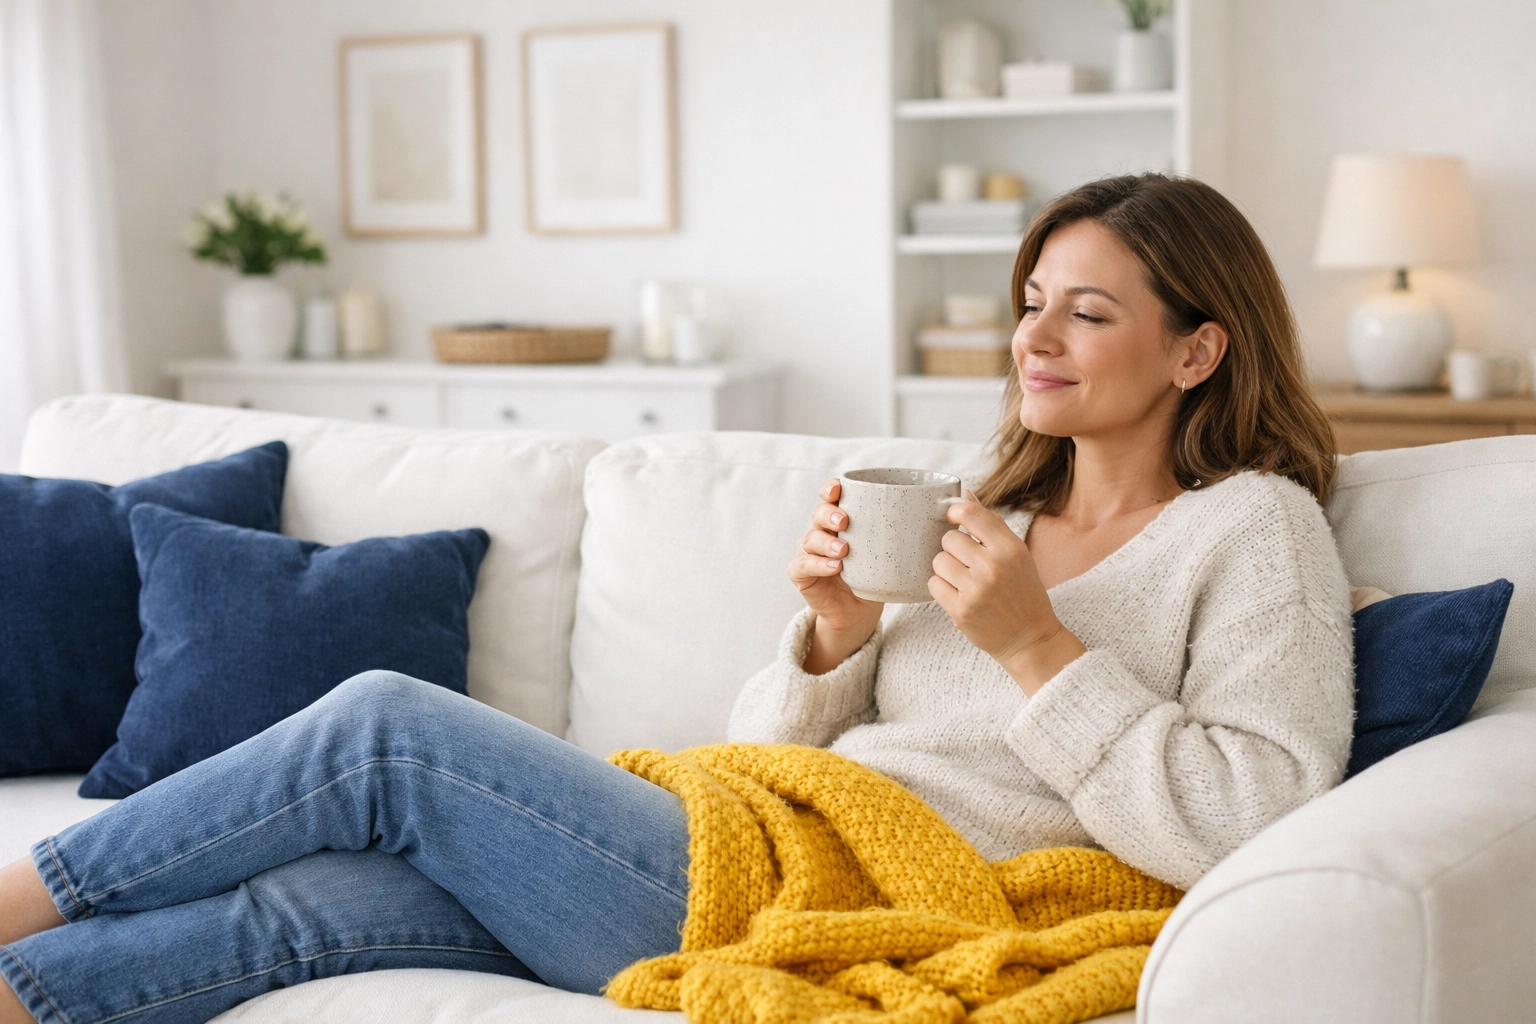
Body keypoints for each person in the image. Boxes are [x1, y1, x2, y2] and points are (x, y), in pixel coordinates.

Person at [0, 173, 1353, 1024]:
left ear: (1198, 346)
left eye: (1088, 314)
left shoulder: (1253, 532)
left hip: (883, 902)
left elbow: (1256, 815)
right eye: (1032, 303)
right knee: (313, 907)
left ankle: (19, 893)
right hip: (764, 841)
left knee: (384, 732)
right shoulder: (978, 508)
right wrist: (835, 635)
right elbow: (770, 758)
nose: (1033, 340)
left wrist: (1040, 651)